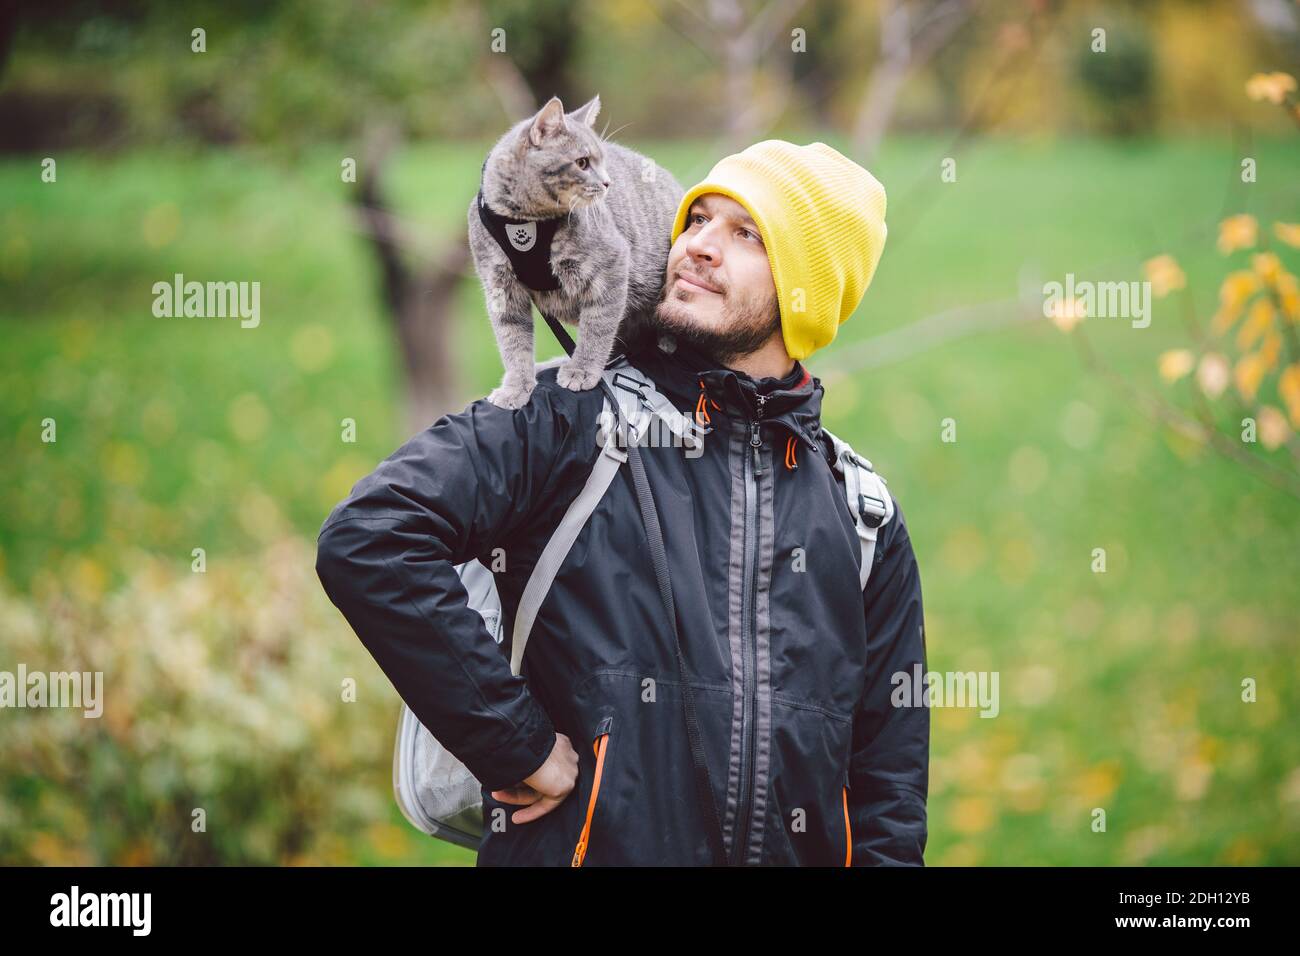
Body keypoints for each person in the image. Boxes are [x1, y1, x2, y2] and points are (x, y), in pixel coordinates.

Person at [316, 140, 929, 866]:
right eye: (698, 218)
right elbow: (372, 536)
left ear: (807, 291)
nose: (697, 244)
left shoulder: (862, 515)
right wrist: (517, 744)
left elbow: (888, 792)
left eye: (746, 234)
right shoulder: (569, 418)